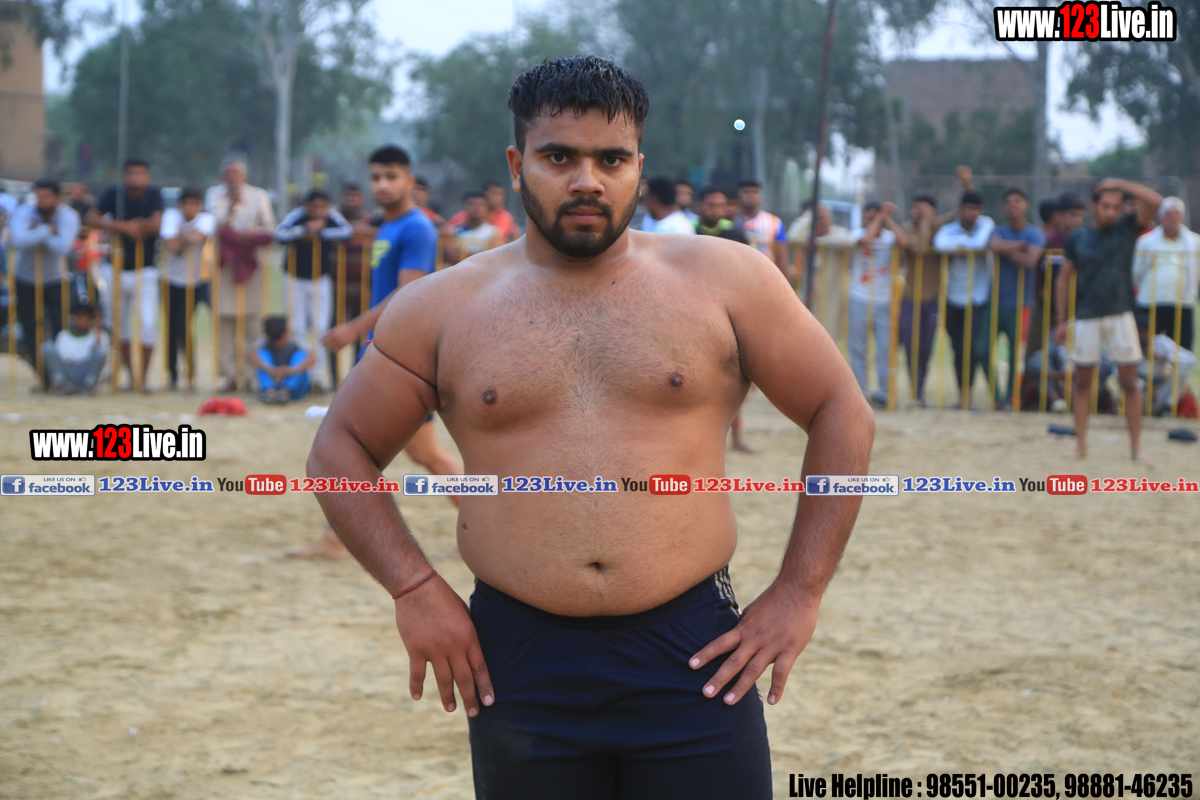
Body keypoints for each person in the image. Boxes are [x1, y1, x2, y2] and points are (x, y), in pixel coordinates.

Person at [308, 55, 873, 798]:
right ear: (517, 166)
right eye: (559, 158)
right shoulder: (443, 308)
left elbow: (842, 411)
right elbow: (340, 449)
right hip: (516, 656)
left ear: (639, 165)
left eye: (611, 159)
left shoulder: (726, 280)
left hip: (694, 648)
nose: (587, 181)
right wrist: (413, 587)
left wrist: (801, 589)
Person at [293, 144, 464, 559]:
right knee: (425, 453)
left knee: (347, 447)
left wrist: (353, 328)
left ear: (409, 181)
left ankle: (334, 538)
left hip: (396, 356)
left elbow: (407, 293)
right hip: (387, 351)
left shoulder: (417, 228)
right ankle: (495, 529)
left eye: (391, 177)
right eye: (375, 178)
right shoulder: (389, 226)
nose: (382, 185)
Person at [1055, 178, 1163, 459]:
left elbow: (1156, 202)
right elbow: (1063, 278)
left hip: (1120, 314)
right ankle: (1081, 444)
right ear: (1093, 206)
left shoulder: (1127, 227)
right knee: (1082, 382)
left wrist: (1122, 184)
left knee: (1129, 382)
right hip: (1086, 316)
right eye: (1105, 206)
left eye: (1116, 206)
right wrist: (1060, 320)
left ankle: (1136, 446)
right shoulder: (1077, 237)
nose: (1110, 212)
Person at [87, 159, 164, 391]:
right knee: (119, 325)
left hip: (146, 270)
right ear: (124, 175)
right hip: (116, 269)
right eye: (131, 173)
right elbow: (91, 218)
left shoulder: (154, 195)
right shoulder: (114, 194)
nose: (135, 178)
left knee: (148, 324)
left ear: (147, 176)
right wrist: (124, 227)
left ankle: (144, 377)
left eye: (140, 173)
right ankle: (131, 376)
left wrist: (136, 225)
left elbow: (157, 223)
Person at [205, 157, 276, 392]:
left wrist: (251, 234)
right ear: (222, 177)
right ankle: (229, 377)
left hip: (251, 262)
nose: (233, 177)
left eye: (237, 173)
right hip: (224, 264)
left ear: (244, 176)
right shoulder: (214, 195)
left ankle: (251, 376)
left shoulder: (259, 195)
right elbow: (214, 224)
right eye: (229, 173)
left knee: (252, 321)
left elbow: (269, 227)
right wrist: (231, 206)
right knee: (224, 320)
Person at [694, 186, 756, 453]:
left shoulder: (735, 233)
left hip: (728, 313)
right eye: (711, 205)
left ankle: (736, 438)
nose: (716, 210)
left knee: (733, 378)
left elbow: (750, 269)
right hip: (695, 314)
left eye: (721, 205)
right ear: (700, 206)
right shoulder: (687, 232)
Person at [275, 189, 354, 392]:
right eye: (314, 206)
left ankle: (316, 378)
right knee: (296, 328)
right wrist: (304, 230)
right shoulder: (297, 216)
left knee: (320, 327)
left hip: (320, 279)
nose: (319, 210)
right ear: (306, 206)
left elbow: (347, 232)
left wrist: (320, 232)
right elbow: (280, 234)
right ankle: (299, 376)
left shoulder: (332, 216)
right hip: (294, 278)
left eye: (322, 206)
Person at [10, 179, 81, 386]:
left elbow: (62, 247)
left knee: (60, 327)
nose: (42, 201)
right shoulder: (25, 211)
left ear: (57, 198)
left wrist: (36, 232)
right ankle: (44, 377)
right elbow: (19, 241)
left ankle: (62, 374)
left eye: (46, 196)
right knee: (30, 328)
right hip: (26, 279)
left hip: (55, 279)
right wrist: (47, 230)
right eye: (39, 196)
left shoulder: (68, 215)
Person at [934, 190, 995, 407]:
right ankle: (962, 395)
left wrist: (958, 245)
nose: (973, 213)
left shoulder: (986, 224)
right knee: (957, 349)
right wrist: (967, 241)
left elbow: (981, 243)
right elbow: (940, 244)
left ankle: (969, 395)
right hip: (953, 297)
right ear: (960, 210)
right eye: (969, 208)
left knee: (971, 347)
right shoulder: (948, 229)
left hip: (977, 298)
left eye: (976, 209)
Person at [987, 188, 1045, 409]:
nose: (1013, 206)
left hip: (1022, 303)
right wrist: (1019, 246)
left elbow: (1030, 261)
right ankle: (997, 396)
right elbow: (994, 245)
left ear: (1026, 205)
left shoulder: (1034, 233)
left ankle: (1012, 399)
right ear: (1004, 207)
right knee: (981, 350)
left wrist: (1006, 249)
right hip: (995, 301)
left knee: (1015, 354)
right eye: (1009, 202)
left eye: (1018, 201)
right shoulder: (998, 230)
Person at [848, 201, 908, 407]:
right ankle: (861, 394)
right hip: (859, 297)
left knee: (885, 349)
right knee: (858, 349)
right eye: (867, 218)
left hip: (884, 301)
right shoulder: (856, 234)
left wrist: (887, 219)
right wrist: (881, 217)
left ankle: (884, 393)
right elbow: (865, 240)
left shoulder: (889, 237)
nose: (869, 221)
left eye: (873, 218)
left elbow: (905, 242)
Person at [160, 187, 216, 391]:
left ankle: (191, 373)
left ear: (199, 206)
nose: (190, 208)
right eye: (186, 204)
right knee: (171, 328)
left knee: (183, 327)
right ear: (180, 205)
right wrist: (189, 235)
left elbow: (196, 239)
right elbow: (173, 246)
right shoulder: (170, 216)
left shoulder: (207, 218)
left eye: (194, 204)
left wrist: (182, 233)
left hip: (196, 281)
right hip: (170, 280)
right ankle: (172, 374)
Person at [1132, 196, 1198, 354]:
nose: (1173, 217)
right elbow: (1136, 272)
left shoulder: (1195, 242)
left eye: (1177, 213)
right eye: (1168, 213)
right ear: (1161, 217)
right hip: (1150, 302)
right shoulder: (1146, 241)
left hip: (1183, 302)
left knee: (1182, 350)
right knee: (1145, 349)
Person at [41, 301, 108, 395]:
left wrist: (98, 329)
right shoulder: (63, 335)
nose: (81, 320)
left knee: (101, 351)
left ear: (90, 319)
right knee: (47, 347)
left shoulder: (96, 335)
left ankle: (88, 386)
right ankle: (62, 385)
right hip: (67, 372)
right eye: (78, 316)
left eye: (84, 316)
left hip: (85, 372)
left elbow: (100, 355)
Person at [251, 315, 316, 404]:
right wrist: (270, 369)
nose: (277, 343)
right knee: (261, 353)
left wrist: (290, 370)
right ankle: (270, 391)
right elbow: (252, 355)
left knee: (301, 355)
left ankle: (285, 391)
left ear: (286, 333)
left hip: (294, 386)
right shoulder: (265, 341)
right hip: (275, 380)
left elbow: (312, 358)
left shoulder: (296, 340)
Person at [733, 179, 788, 277]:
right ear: (738, 195)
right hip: (735, 273)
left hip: (765, 274)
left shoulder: (774, 222)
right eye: (746, 192)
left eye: (755, 192)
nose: (751, 196)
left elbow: (781, 255)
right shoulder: (730, 220)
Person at [447, 181, 521, 243]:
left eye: (499, 194)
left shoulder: (506, 217)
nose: (496, 198)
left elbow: (515, 237)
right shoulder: (465, 215)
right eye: (493, 193)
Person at [445, 191, 500, 265]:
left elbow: (493, 256)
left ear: (487, 208)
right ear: (465, 206)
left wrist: (463, 255)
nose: (477, 208)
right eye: (472, 204)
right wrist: (480, 255)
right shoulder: (454, 231)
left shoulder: (493, 232)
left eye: (480, 204)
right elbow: (452, 256)